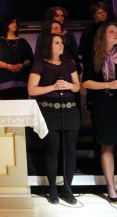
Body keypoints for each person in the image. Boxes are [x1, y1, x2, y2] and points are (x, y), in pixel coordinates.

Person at [28, 34, 80, 205]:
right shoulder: (40, 64)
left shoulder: (69, 63)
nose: (61, 45)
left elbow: (78, 86)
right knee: (52, 150)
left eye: (62, 42)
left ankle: (68, 188)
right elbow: (32, 90)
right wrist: (53, 86)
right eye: (57, 42)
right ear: (48, 45)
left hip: (70, 110)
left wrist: (70, 86)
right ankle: (52, 189)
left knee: (70, 150)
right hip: (49, 111)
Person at [82, 21, 117, 202]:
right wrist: (109, 84)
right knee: (107, 144)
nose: (116, 34)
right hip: (104, 104)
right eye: (111, 31)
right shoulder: (94, 56)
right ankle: (111, 188)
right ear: (103, 35)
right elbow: (86, 83)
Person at [0, 17, 33, 99]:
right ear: (5, 24)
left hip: (22, 80)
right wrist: (8, 66)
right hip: (4, 80)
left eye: (15, 22)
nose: (15, 24)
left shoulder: (23, 41)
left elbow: (30, 58)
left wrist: (22, 65)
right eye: (12, 22)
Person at [44, 6, 80, 73]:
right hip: (51, 66)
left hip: (69, 66)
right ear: (51, 17)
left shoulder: (69, 34)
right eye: (57, 16)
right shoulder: (45, 34)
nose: (60, 17)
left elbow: (75, 52)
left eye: (62, 15)